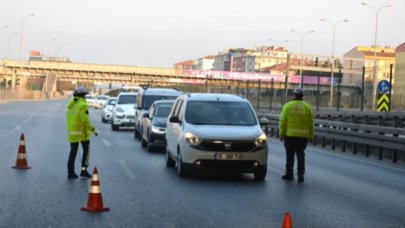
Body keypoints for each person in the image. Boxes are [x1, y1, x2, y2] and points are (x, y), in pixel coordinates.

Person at [279, 87, 314, 183]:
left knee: (289, 155)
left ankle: (289, 174)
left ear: (294, 95)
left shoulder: (287, 106)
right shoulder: (308, 107)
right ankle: (301, 174)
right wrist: (311, 136)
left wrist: (281, 134)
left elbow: (283, 121)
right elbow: (311, 123)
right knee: (300, 155)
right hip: (302, 137)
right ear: (302, 96)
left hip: (290, 135)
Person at [66, 86, 98, 179]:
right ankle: (83, 170)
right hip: (82, 132)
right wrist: (93, 129)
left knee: (73, 152)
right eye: (85, 95)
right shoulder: (82, 105)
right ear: (83, 95)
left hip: (72, 131)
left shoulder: (71, 104)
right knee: (86, 152)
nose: (85, 97)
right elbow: (85, 120)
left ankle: (70, 172)